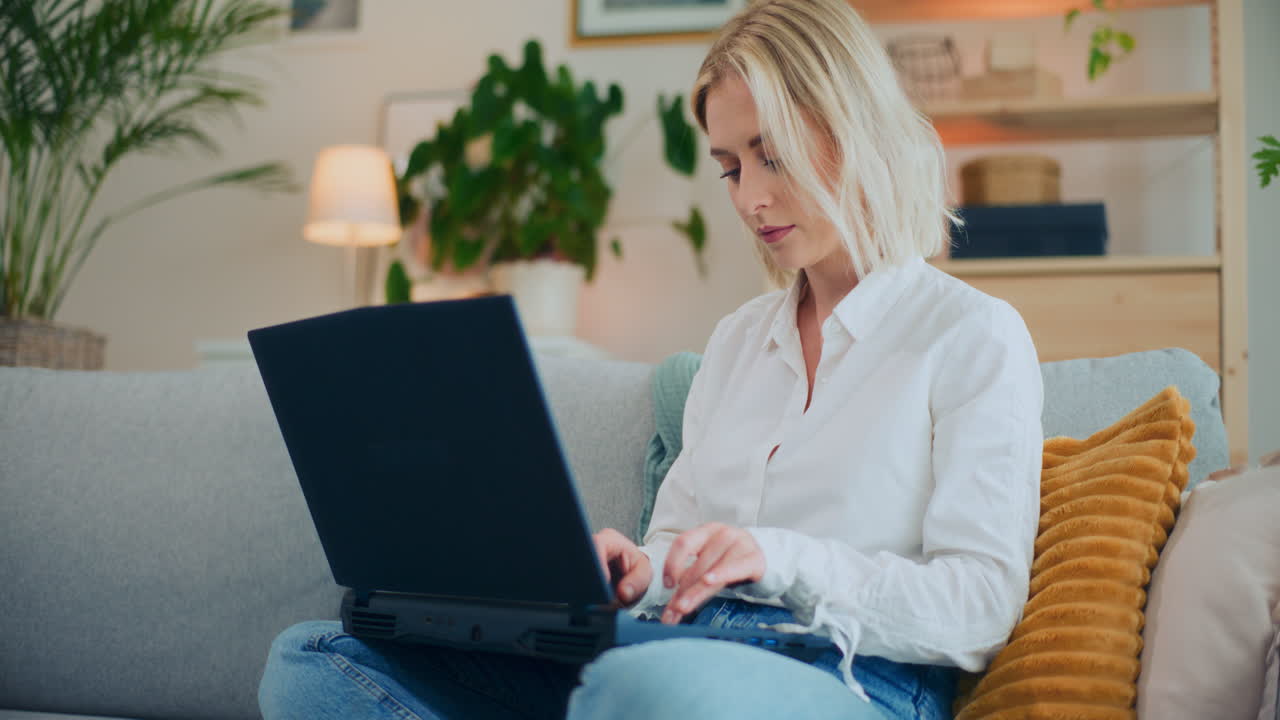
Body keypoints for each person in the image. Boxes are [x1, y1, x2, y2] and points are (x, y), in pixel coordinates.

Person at [257, 0, 1044, 717]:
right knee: (312, 663)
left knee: (637, 688)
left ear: (852, 129)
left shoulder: (971, 336)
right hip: (672, 653)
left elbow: (978, 605)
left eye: (771, 157)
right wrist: (637, 568)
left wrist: (782, 558)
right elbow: (676, 543)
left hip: (846, 674)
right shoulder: (739, 341)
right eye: (731, 168)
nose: (747, 199)